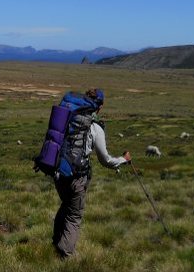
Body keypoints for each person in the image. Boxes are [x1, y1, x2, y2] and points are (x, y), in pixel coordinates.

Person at [52, 88, 131, 258]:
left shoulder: (67, 118)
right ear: (99, 107)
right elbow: (106, 160)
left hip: (59, 173)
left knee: (66, 205)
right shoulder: (94, 127)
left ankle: (55, 242)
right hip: (77, 177)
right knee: (74, 216)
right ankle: (65, 255)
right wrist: (123, 160)